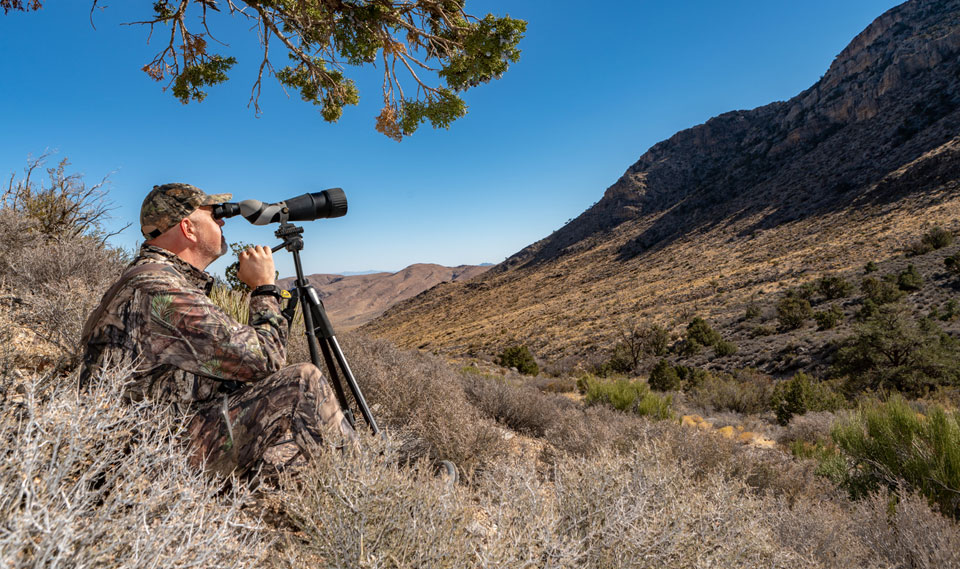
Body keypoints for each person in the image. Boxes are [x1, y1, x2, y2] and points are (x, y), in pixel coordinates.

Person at [80, 183, 356, 478]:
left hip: (152, 435)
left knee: (293, 454)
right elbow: (265, 359)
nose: (223, 221)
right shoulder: (161, 290)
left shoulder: (154, 277)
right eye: (214, 215)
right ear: (188, 228)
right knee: (302, 381)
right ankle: (366, 494)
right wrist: (264, 287)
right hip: (152, 452)